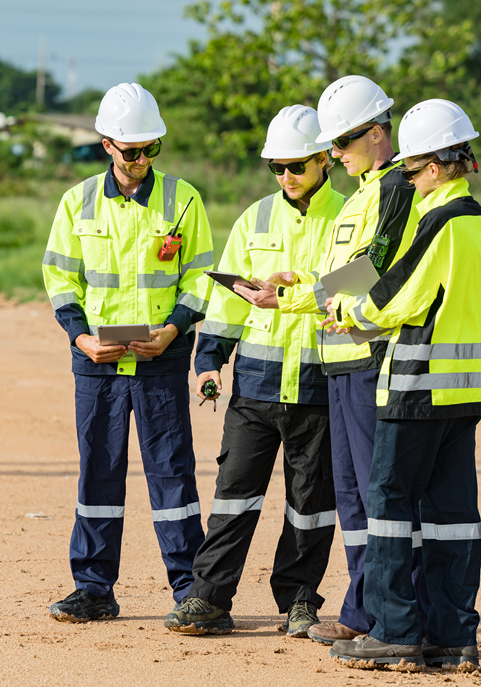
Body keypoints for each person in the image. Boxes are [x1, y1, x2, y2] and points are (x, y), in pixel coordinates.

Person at [324, 98, 481, 671]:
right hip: (463, 391)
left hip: (416, 387)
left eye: (415, 170)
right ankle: (453, 637)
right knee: (452, 514)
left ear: (438, 164)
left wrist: (346, 314)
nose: (412, 181)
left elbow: (399, 294)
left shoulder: (440, 220)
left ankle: (395, 628)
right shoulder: (479, 220)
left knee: (390, 504)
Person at [163, 106, 342, 637]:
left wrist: (301, 290)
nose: (285, 177)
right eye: (276, 168)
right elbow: (230, 301)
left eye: (296, 166)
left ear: (324, 160)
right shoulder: (254, 218)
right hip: (258, 386)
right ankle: (208, 598)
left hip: (321, 384)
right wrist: (209, 360)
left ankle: (300, 600)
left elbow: (364, 280)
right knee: (233, 496)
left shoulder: (352, 216)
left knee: (310, 506)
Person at [41, 82, 214, 623]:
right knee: (99, 473)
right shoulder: (78, 201)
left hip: (161, 356)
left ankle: (191, 590)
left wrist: (173, 328)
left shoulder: (183, 199)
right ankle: (93, 588)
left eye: (151, 149)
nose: (142, 161)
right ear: (106, 145)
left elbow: (200, 276)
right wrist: (79, 335)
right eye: (132, 150)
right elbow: (60, 278)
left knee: (172, 475)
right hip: (97, 362)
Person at [271, 76, 428, 644]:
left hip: (370, 360)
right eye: (333, 145)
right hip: (339, 360)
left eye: (344, 142)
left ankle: (389, 614)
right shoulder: (363, 193)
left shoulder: (396, 188)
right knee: (352, 496)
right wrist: (304, 284)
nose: (334, 154)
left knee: (376, 492)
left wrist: (291, 298)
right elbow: (346, 274)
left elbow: (371, 268)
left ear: (379, 133)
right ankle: (364, 609)